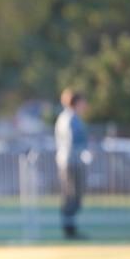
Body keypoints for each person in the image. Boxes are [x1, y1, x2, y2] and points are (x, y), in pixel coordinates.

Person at [54, 88, 89, 239]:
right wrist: (84, 153)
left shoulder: (70, 117)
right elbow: (72, 142)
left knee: (74, 196)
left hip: (71, 161)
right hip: (70, 162)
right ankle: (69, 230)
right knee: (71, 196)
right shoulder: (69, 119)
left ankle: (71, 228)